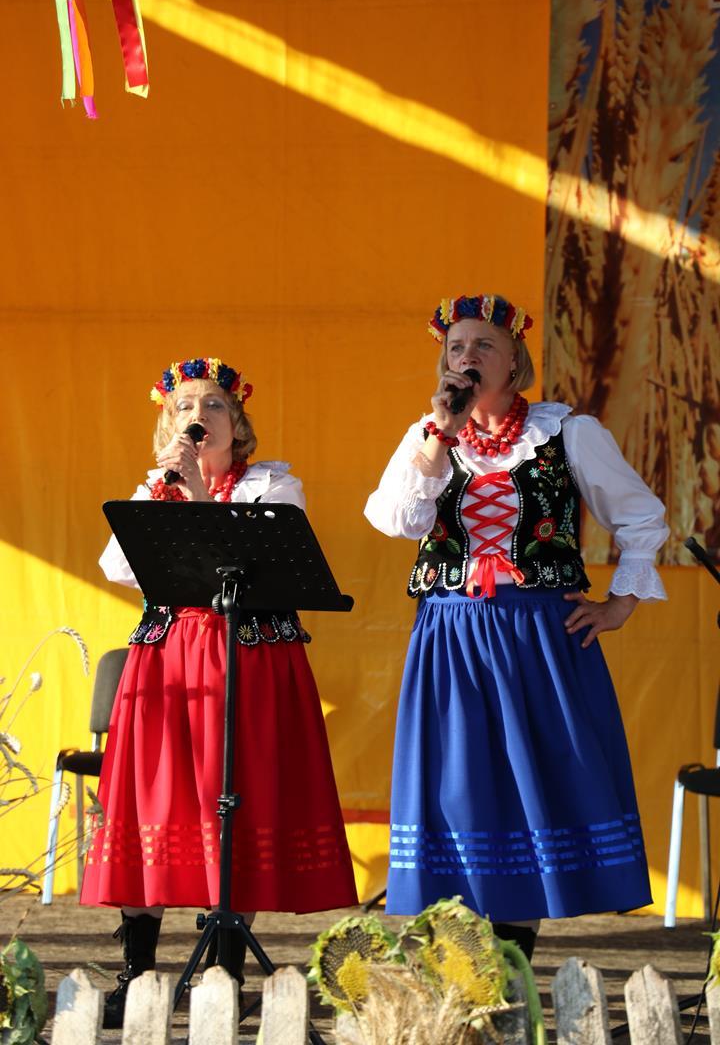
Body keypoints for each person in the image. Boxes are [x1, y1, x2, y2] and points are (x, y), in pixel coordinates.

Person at [364, 295, 668, 960]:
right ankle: (466, 958)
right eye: (456, 348)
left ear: (514, 361)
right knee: (460, 787)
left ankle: (510, 960)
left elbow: (642, 517)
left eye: (483, 346)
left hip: (537, 633)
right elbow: (398, 522)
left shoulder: (567, 433)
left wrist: (620, 603)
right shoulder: (429, 436)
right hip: (451, 633)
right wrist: (436, 441)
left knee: (533, 784)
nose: (467, 357)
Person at [81, 357, 357, 1026]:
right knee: (157, 799)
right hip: (168, 657)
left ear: (237, 423)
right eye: (183, 406)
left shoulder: (273, 486)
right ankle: (136, 972)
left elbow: (246, 558)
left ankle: (224, 973)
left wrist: (200, 491)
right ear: (166, 426)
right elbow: (116, 565)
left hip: (248, 659)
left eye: (212, 405)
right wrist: (165, 486)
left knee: (241, 797)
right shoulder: (155, 488)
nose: (197, 416)